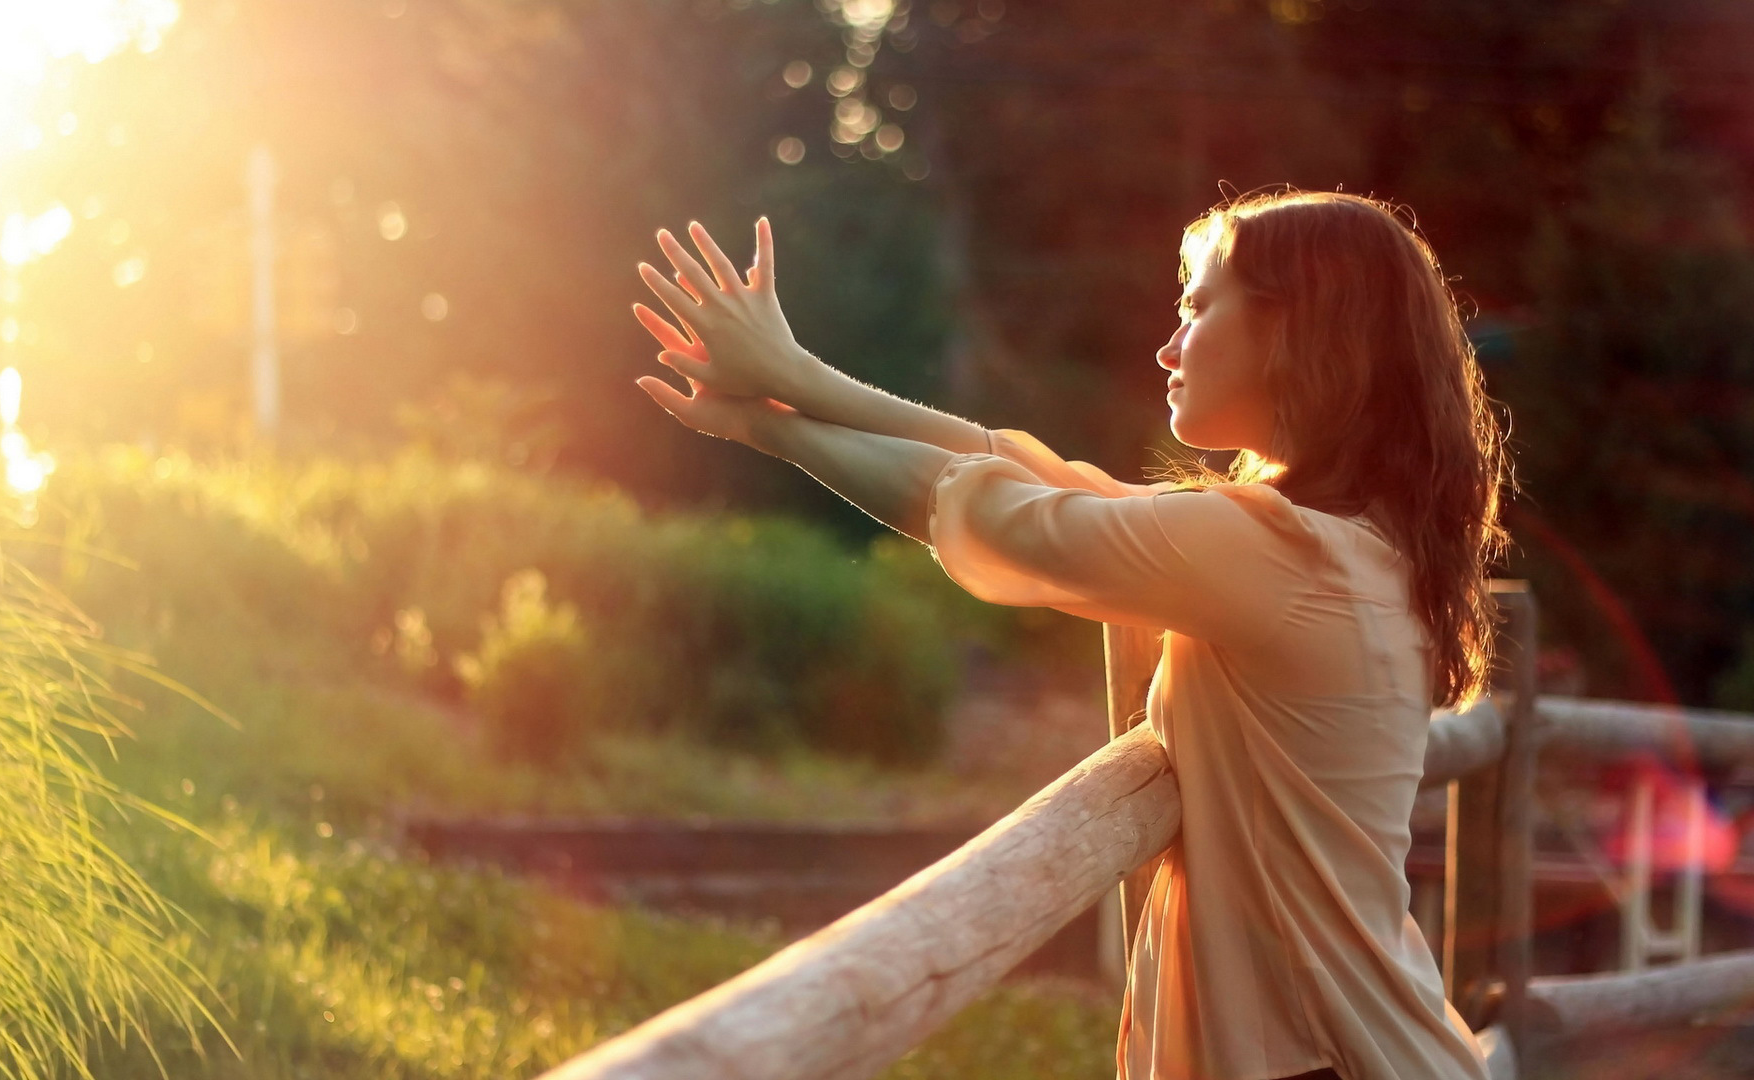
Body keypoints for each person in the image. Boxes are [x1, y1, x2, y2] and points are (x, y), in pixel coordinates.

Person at [630, 189, 1508, 1080]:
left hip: (1321, 1065)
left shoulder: (1276, 554)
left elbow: (1000, 511)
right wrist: (786, 390)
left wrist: (778, 409)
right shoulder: (1349, 545)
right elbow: (1034, 478)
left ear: (1295, 332)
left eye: (1197, 308)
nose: (1168, 346)